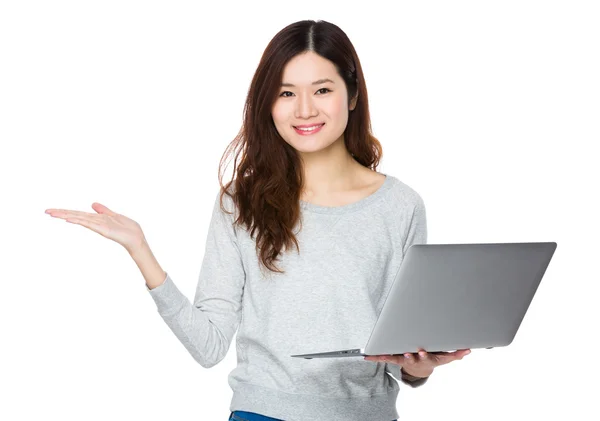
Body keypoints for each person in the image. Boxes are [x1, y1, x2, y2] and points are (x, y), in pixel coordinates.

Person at [45, 19, 470, 421]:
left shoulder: (399, 205)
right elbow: (209, 346)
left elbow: (402, 357)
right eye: (286, 93)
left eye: (322, 90)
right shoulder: (240, 202)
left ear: (353, 96)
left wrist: (422, 367)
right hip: (262, 413)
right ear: (267, 103)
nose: (304, 109)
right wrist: (141, 249)